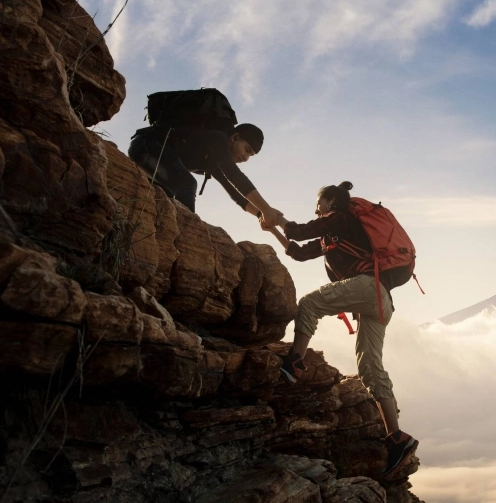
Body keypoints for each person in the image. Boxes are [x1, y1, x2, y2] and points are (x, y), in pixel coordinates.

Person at [266, 181, 418, 476]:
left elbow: (297, 230)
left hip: (368, 289)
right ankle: (397, 438)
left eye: (319, 203)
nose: (316, 209)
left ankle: (294, 364)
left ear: (331, 201)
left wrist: (276, 216)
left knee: (309, 304)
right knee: (371, 369)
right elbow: (298, 251)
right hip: (380, 301)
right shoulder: (332, 234)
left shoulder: (343, 216)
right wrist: (272, 229)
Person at [127, 122, 284, 226]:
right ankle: (187, 237)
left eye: (251, 155)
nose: (246, 157)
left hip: (157, 159)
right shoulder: (217, 138)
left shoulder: (213, 161)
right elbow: (235, 175)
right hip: (146, 145)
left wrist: (260, 215)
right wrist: (266, 208)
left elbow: (235, 194)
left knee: (165, 197)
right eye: (247, 150)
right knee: (187, 184)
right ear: (235, 137)